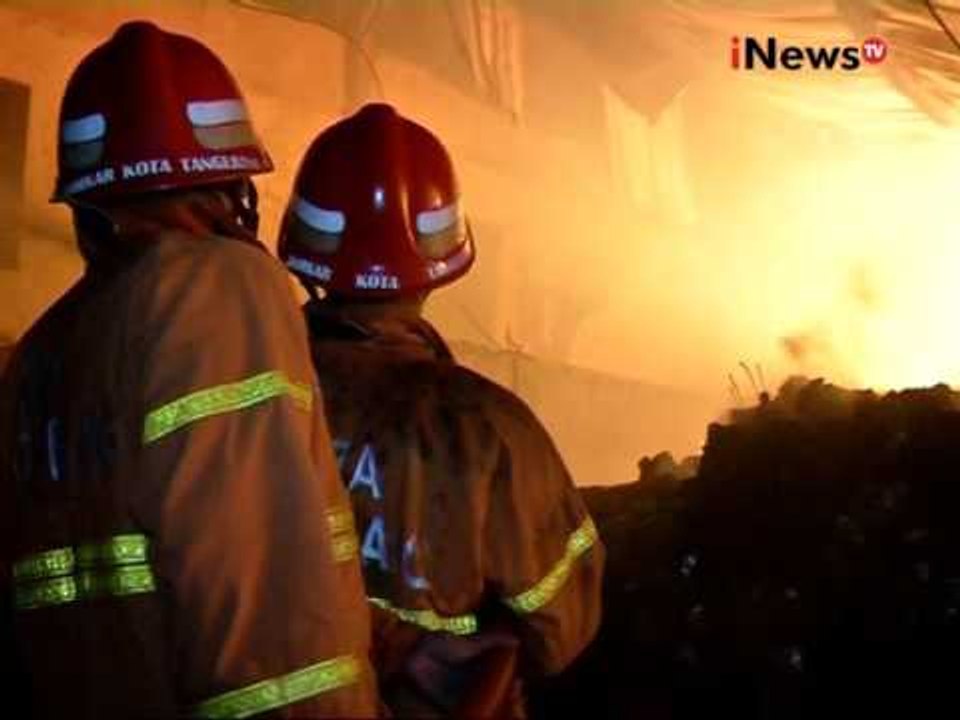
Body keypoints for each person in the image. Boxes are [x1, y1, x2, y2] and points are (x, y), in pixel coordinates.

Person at [0, 22, 379, 718]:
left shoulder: (38, 352)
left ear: (85, 204)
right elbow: (261, 609)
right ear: (233, 184)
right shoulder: (220, 286)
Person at [277, 103, 604, 715]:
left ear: (306, 242)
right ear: (441, 258)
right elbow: (561, 628)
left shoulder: (244, 392)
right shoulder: (491, 428)